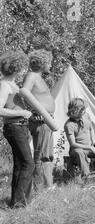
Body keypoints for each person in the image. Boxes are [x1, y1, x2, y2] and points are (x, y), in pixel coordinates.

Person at [0, 51, 34, 208]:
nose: (23, 71)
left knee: (21, 164)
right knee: (28, 163)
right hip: (14, 127)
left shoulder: (14, 85)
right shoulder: (4, 85)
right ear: (15, 67)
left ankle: (16, 202)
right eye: (22, 68)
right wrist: (22, 113)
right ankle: (20, 204)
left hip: (20, 127)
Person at [19, 49, 55, 190]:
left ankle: (47, 185)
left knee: (48, 155)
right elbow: (24, 93)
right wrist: (34, 112)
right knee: (42, 156)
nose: (50, 66)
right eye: (49, 63)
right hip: (40, 121)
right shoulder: (32, 76)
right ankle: (42, 187)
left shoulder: (39, 78)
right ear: (42, 63)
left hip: (47, 121)